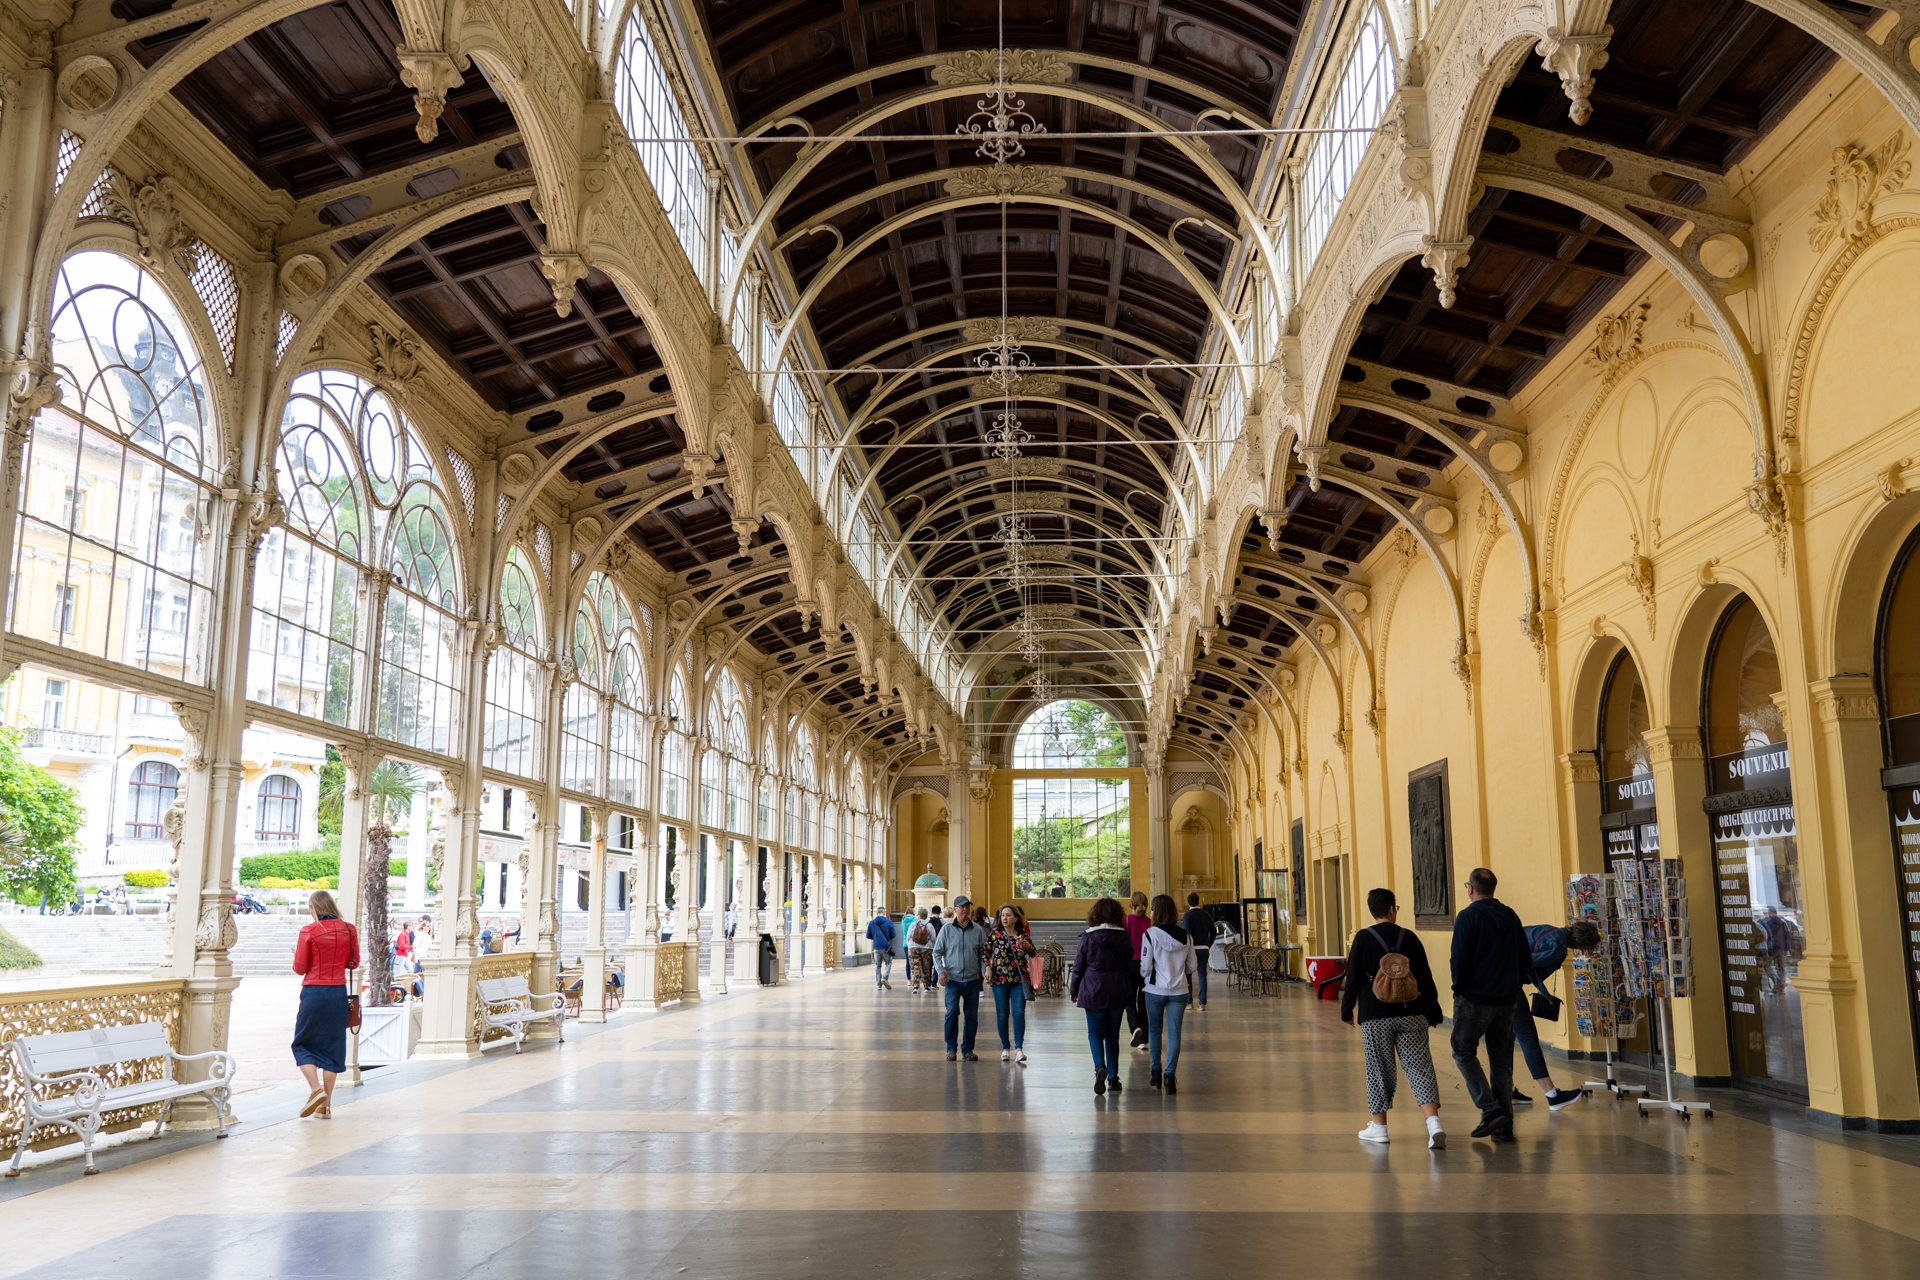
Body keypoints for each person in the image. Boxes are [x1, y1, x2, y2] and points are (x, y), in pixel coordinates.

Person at [1341, 887, 1446, 1148]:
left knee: (1378, 1069)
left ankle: (1379, 1128)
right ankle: (1434, 1124)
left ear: (1372, 911)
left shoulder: (1363, 938)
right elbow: (1425, 976)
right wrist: (1434, 1011)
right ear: (1391, 909)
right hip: (1412, 1012)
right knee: (1420, 1067)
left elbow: (1352, 977)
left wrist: (1347, 1009)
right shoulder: (1409, 937)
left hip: (1375, 1015)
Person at [1450, 868, 1531, 1141]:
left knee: (1463, 1050)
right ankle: (1504, 1128)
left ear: (1471, 889)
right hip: (1507, 1001)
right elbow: (1526, 957)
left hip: (1474, 998)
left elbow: (1459, 959)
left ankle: (1489, 1108)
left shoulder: (1468, 916)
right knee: (1502, 1062)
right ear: (1493, 888)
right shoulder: (1511, 916)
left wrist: (1458, 989)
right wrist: (1513, 985)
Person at [1513, 919, 1602, 1110]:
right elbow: (1526, 962)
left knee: (1505, 1039)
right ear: (1581, 945)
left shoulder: (1547, 929)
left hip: (1490, 981)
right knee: (1529, 1040)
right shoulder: (1559, 949)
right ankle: (1553, 1096)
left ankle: (1507, 1090)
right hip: (1508, 986)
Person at [290, 889, 359, 1120]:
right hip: (338, 992)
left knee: (302, 1044)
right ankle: (325, 1107)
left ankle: (315, 1090)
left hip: (314, 992)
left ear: (314, 908)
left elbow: (300, 968)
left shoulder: (308, 930)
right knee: (333, 1048)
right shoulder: (349, 929)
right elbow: (354, 962)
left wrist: (297, 956)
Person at [1072, 897, 1132, 1096]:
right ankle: (1113, 1079)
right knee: (1112, 1035)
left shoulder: (1087, 936)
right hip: (1116, 988)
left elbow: (1078, 966)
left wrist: (1074, 990)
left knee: (1095, 1032)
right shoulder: (1124, 936)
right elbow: (1128, 965)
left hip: (1092, 989)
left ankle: (1099, 1066)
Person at [1140, 894, 1196, 1092]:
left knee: (1154, 1030)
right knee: (1174, 1034)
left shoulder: (1149, 934)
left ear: (1156, 911)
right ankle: (1170, 1077)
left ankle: (1156, 1072)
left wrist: (1146, 976)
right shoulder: (1186, 936)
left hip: (1155, 990)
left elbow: (1146, 967)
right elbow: (1192, 966)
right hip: (1179, 991)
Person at [933, 897, 986, 1061]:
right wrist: (941, 971)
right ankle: (951, 1048)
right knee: (952, 1012)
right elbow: (937, 952)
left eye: (967, 907)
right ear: (954, 909)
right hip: (952, 980)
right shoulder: (946, 930)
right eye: (961, 907)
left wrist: (985, 970)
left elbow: (983, 954)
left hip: (972, 980)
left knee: (971, 1016)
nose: (965, 909)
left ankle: (968, 1050)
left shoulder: (977, 930)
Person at [986, 904, 1038, 1062]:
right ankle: (1005, 1048)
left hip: (1019, 980)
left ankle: (1019, 1049)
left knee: (1018, 1013)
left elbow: (1033, 953)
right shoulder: (995, 934)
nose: (1005, 918)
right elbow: (985, 952)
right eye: (1003, 915)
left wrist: (1028, 947)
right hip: (999, 980)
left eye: (1008, 915)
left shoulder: (1022, 934)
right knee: (1002, 1014)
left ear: (1016, 918)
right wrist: (987, 968)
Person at [1125, 891, 1152, 1050]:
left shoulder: (1126, 920)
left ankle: (1135, 1027)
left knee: (1128, 999)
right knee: (1143, 1002)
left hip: (1130, 963)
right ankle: (1144, 1041)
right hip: (1146, 964)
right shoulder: (1150, 922)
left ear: (1131, 904)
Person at [1181, 892, 1216, 1010]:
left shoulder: (1187, 916)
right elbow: (1213, 931)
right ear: (1198, 901)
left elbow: (1187, 934)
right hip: (1204, 949)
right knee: (1202, 975)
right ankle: (1202, 1003)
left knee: (1188, 975)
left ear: (1188, 903)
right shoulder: (1206, 914)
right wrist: (1208, 944)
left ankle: (1189, 1002)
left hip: (1192, 949)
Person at [1757, 906, 1792, 993]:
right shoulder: (1783, 922)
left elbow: (1767, 935)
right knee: (1781, 966)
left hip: (1772, 947)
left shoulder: (1767, 922)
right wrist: (1787, 948)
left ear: (1770, 913)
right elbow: (1787, 935)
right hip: (1782, 947)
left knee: (1767, 965)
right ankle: (1782, 983)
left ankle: (1778, 982)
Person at [866, 906, 898, 990]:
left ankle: (878, 985)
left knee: (878, 965)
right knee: (888, 963)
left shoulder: (872, 922)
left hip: (876, 947)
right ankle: (884, 978)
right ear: (884, 913)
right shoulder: (888, 922)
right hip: (886, 947)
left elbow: (868, 935)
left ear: (877, 913)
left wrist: (876, 937)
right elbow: (893, 935)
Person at [905, 907, 935, 992]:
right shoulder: (930, 925)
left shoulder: (913, 924)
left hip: (913, 948)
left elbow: (908, 937)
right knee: (926, 967)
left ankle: (915, 987)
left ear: (919, 915)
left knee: (915, 967)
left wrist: (910, 946)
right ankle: (926, 986)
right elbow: (933, 939)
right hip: (927, 949)